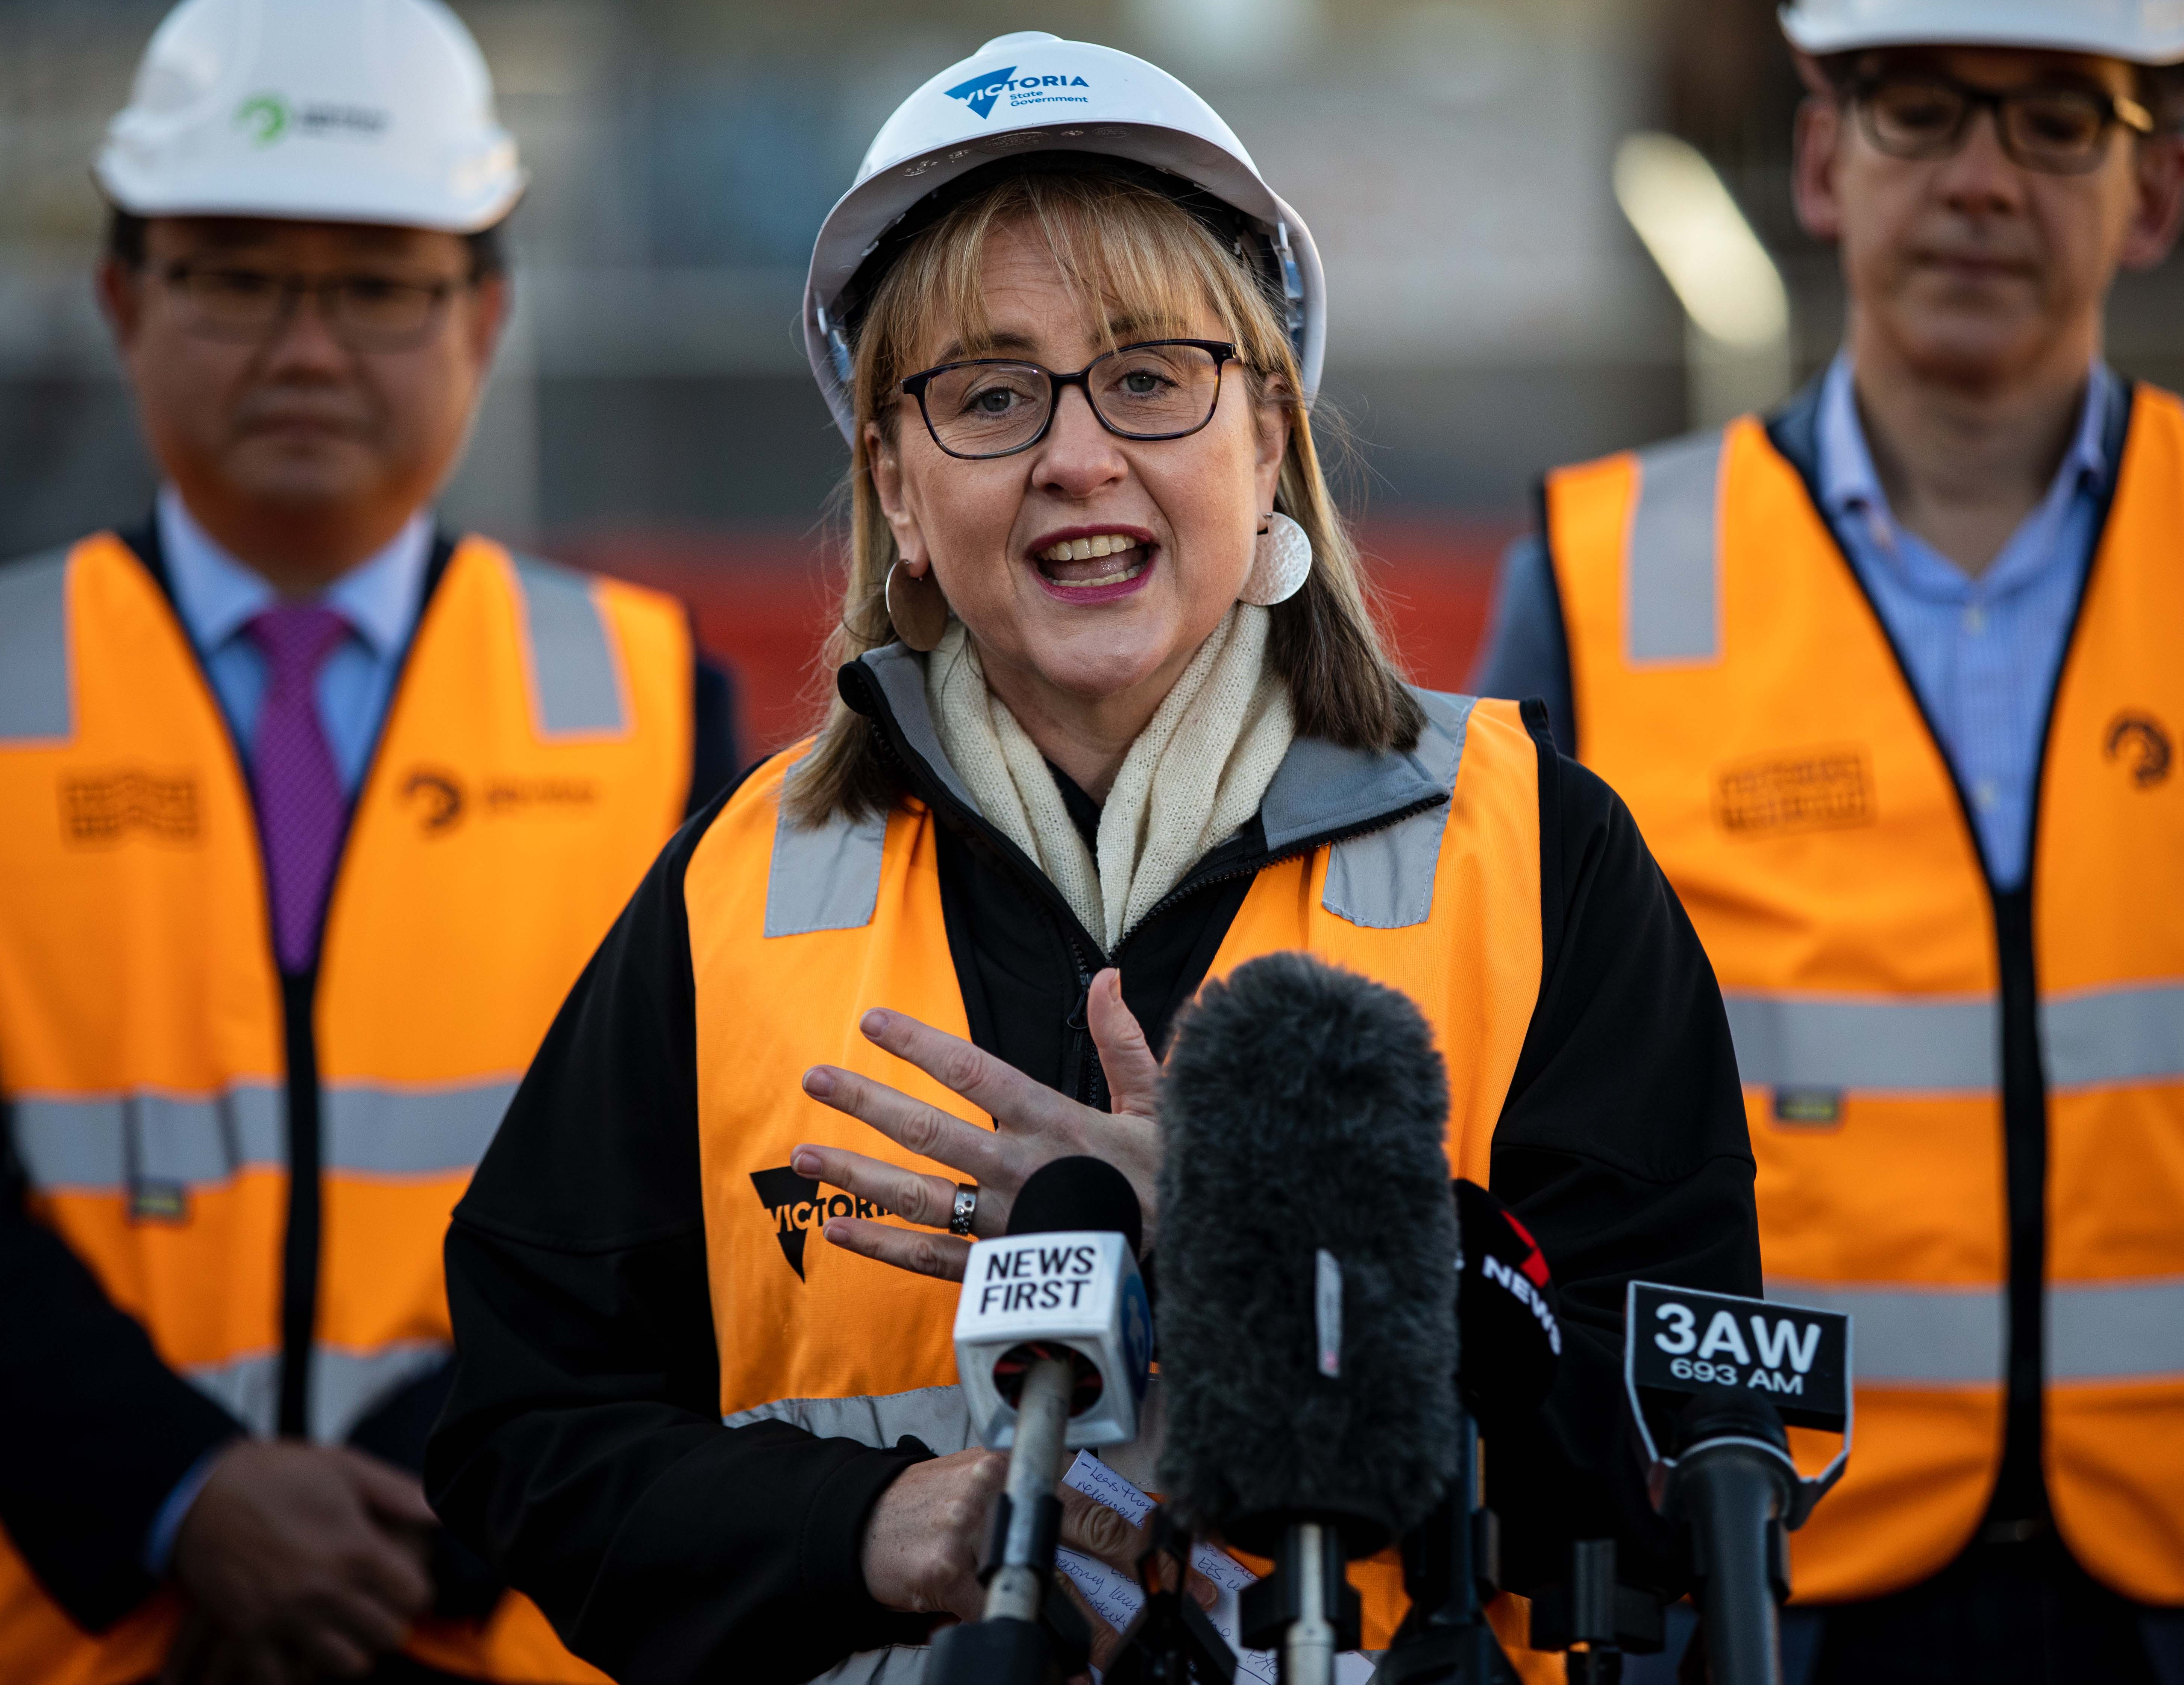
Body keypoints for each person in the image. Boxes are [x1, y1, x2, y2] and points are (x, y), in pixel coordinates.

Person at [426, 30, 1761, 1685]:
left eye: (1148, 376)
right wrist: (866, 1527)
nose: (1077, 456)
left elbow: (1679, 1453)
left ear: (1267, 436)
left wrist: (1246, 1241)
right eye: (991, 395)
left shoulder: (1539, 851)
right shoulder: (726, 895)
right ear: (896, 484)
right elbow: (527, 1435)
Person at [0, 1, 736, 1680]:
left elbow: (690, 1183)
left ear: (485, 314)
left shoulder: (650, 699)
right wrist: (177, 1497)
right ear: (122, 300)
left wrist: (419, 1508)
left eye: (379, 285)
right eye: (238, 277)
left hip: (497, 1610)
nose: (309, 348)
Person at [1471, 2, 2184, 1679]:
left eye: (2056, 120)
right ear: (1818, 161)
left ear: (2153, 193)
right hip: (1749, 1579)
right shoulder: (1596, 583)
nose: (1982, 182)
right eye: (1918, 109)